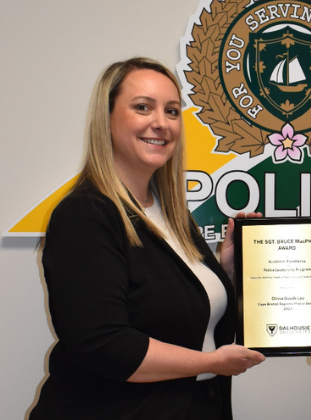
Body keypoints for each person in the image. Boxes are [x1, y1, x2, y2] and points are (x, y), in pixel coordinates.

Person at [29, 57, 264, 420]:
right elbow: (104, 345)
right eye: (143, 107)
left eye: (172, 111)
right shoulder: (86, 215)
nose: (161, 123)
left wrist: (227, 272)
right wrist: (212, 363)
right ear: (106, 120)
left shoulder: (170, 213)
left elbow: (176, 309)